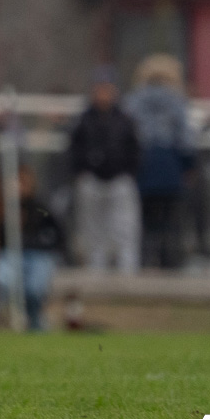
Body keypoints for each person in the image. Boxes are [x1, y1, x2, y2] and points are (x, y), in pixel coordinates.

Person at [66, 66, 140, 274]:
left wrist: (129, 172)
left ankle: (128, 276)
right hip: (91, 181)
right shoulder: (83, 119)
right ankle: (96, 275)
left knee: (124, 231)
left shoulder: (125, 119)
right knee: (93, 234)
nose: (103, 93)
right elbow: (74, 149)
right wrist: (80, 171)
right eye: (99, 88)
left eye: (107, 88)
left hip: (119, 180)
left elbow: (135, 149)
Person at [125, 53, 194, 270]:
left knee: (144, 221)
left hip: (142, 165)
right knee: (170, 221)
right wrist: (188, 165)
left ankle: (145, 262)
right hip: (170, 165)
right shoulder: (176, 101)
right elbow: (185, 138)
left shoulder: (133, 101)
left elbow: (127, 136)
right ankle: (170, 264)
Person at [0, 165, 64, 331]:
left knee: (34, 288)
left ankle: (35, 322)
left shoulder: (41, 208)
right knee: (3, 279)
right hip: (8, 255)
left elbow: (57, 237)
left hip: (38, 256)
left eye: (23, 181)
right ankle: (1, 321)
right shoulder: (0, 209)